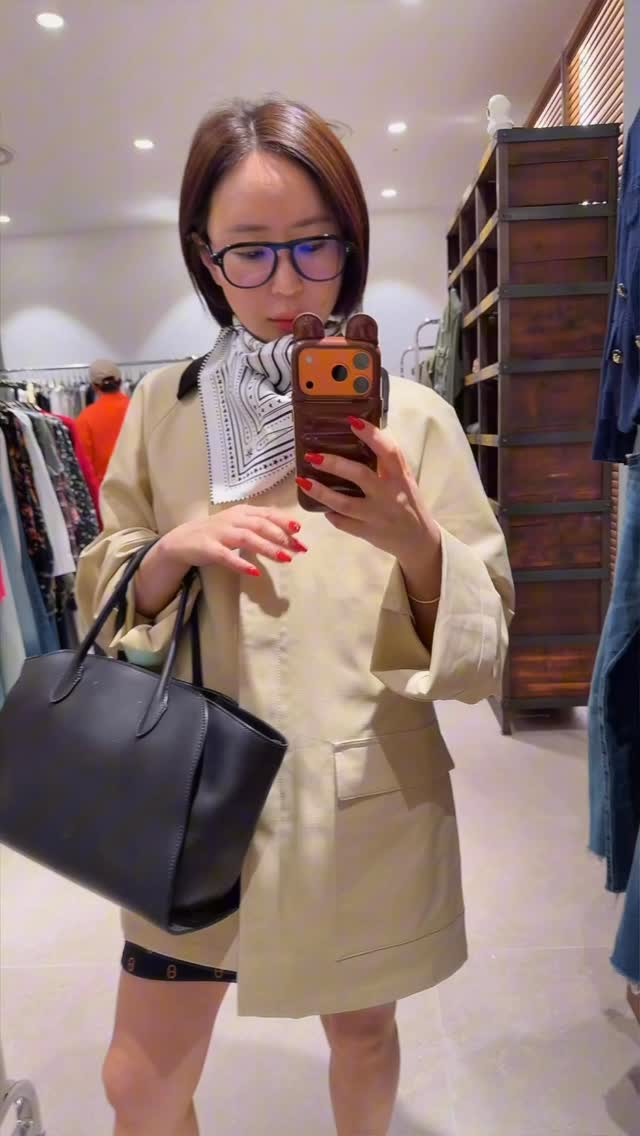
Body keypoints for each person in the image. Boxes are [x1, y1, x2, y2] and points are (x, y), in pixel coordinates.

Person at [76, 98, 514, 1136]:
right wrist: (169, 552)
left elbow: (486, 636)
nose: (286, 284)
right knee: (139, 1079)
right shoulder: (163, 410)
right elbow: (102, 588)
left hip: (356, 791)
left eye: (315, 244)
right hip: (188, 795)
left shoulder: (416, 419)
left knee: (361, 1036)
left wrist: (416, 541)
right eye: (251, 251)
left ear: (350, 243)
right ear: (205, 255)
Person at [75, 359, 129, 485]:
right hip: (139, 487)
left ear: (94, 386)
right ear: (120, 382)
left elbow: (84, 463)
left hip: (105, 488)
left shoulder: (85, 418)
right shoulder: (138, 409)